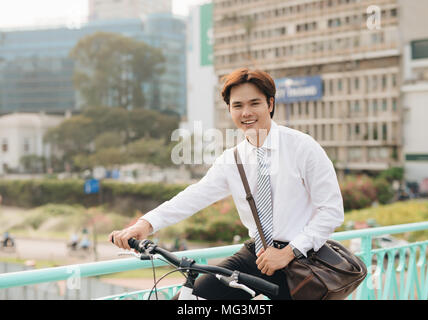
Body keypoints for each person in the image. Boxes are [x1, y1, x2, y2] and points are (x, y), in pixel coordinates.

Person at [109, 68, 344, 300]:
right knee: (190, 300)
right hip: (257, 255)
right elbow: (194, 196)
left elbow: (331, 211)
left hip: (302, 261)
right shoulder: (233, 159)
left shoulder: (303, 147)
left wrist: (289, 252)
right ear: (230, 110)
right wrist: (145, 224)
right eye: (238, 106)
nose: (246, 112)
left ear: (270, 104)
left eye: (255, 103)